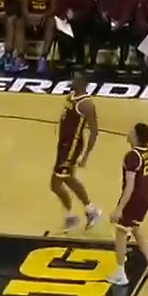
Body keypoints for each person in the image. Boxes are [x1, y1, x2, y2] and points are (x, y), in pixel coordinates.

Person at [107, 123, 148, 286]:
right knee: (136, 229)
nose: (128, 132)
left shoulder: (132, 156)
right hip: (146, 197)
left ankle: (120, 272)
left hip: (134, 199)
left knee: (121, 233)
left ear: (136, 136)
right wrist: (145, 187)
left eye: (132, 131)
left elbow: (129, 186)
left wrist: (119, 208)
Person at [52, 73, 101, 232]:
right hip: (64, 145)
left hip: (71, 147)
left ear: (82, 83)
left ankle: (72, 216)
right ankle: (90, 211)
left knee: (56, 183)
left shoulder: (87, 104)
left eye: (76, 78)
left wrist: (86, 155)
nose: (72, 80)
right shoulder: (72, 96)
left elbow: (94, 132)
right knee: (67, 179)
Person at [16, 0, 56, 73]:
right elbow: (23, 6)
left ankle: (43, 57)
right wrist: (28, 16)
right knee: (19, 22)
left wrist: (43, 16)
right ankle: (21, 57)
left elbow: (54, 7)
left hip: (45, 18)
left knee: (51, 22)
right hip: (31, 17)